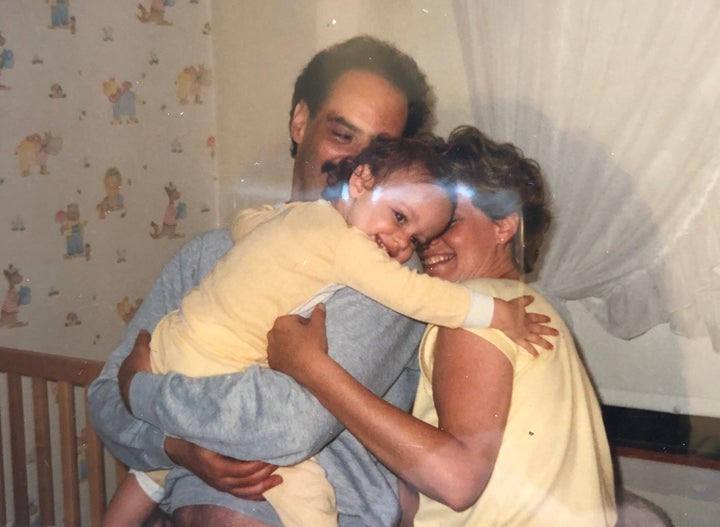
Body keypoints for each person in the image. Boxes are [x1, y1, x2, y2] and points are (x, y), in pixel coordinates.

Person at [103, 134, 544, 527]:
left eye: (414, 239)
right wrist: (497, 313)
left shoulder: (293, 221)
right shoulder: (353, 250)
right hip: (209, 373)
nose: (399, 245)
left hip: (172, 352)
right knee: (309, 498)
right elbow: (420, 297)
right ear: (361, 178)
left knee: (150, 476)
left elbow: (290, 427)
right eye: (399, 218)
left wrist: (161, 429)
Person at [88, 35, 440, 526]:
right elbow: (105, 399)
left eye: (379, 151)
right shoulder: (209, 253)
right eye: (343, 136)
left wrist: (148, 396)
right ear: (301, 122)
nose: (358, 166)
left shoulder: (389, 275)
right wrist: (176, 448)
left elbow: (288, 427)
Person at [266, 126, 618, 526]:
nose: (426, 246)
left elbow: (457, 481)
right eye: (422, 234)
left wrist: (312, 368)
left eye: (448, 222)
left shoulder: (482, 311)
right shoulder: (533, 309)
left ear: (504, 225)